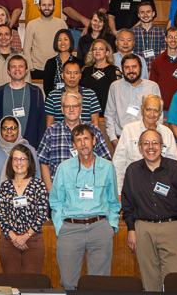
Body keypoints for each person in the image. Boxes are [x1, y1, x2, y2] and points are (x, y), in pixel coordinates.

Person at [121, 129, 177, 292]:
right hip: (143, 230)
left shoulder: (175, 168)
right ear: (140, 147)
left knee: (175, 282)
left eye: (155, 142)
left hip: (172, 229)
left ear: (162, 146)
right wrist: (131, 229)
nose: (151, 147)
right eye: (146, 143)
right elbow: (127, 204)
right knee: (150, 283)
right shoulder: (132, 171)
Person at [50, 124, 120, 290]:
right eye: (78, 140)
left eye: (86, 138)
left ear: (94, 140)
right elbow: (56, 201)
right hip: (70, 228)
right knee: (68, 282)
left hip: (100, 227)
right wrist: (60, 227)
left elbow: (113, 201)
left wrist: (112, 225)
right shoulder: (64, 168)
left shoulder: (107, 167)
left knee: (98, 283)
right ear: (74, 145)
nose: (82, 143)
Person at [0, 144, 47, 274]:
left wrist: (25, 236)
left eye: (23, 159)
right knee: (10, 284)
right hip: (8, 241)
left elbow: (42, 214)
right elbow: (0, 215)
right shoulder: (5, 186)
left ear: (29, 162)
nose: (19, 162)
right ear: (11, 162)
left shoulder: (38, 185)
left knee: (31, 285)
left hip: (33, 240)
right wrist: (14, 237)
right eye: (15, 159)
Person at [38, 93, 111, 186]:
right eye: (67, 106)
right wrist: (50, 190)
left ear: (81, 109)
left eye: (75, 106)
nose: (71, 110)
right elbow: (43, 162)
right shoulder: (51, 131)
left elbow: (105, 160)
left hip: (88, 188)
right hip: (60, 188)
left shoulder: (93, 130)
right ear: (62, 110)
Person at [112, 95, 177, 192]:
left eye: (156, 110)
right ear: (142, 109)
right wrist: (118, 191)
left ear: (160, 113)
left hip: (159, 186)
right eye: (148, 109)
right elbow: (118, 163)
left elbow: (173, 163)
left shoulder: (167, 132)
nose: (152, 114)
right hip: (133, 185)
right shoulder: (129, 130)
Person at [0, 55, 43, 146]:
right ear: (8, 71)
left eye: (20, 66)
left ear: (26, 70)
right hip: (3, 149)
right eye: (13, 66)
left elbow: (41, 123)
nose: (17, 69)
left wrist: (39, 148)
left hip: (30, 148)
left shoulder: (36, 92)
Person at [105, 55, 161, 145]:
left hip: (146, 138)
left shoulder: (152, 87)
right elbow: (110, 114)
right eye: (127, 67)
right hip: (121, 138)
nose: (131, 70)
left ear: (140, 68)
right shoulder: (115, 87)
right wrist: (113, 138)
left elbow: (159, 115)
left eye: (134, 67)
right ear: (122, 69)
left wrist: (154, 137)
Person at [0, 115, 38, 201]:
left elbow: (36, 176)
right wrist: (2, 203)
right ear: (0, 130)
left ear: (19, 129)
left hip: (27, 205)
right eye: (5, 128)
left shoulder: (29, 150)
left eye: (13, 128)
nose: (9, 131)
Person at [44, 60, 103, 129]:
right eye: (68, 73)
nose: (72, 76)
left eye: (76, 73)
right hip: (60, 137)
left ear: (80, 76)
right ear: (62, 75)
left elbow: (95, 122)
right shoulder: (52, 96)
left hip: (85, 137)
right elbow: (49, 124)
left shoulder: (90, 94)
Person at [25, 0, 68, 80]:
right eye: (44, 5)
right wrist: (31, 67)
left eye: (49, 5)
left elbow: (67, 46)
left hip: (57, 68)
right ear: (39, 7)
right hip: (37, 69)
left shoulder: (61, 23)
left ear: (54, 6)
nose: (47, 8)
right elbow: (26, 48)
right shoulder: (32, 24)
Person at [148, 28, 177, 110]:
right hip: (162, 108)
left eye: (176, 37)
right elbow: (152, 86)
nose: (173, 40)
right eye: (170, 37)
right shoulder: (157, 62)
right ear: (165, 39)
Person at [0, 26, 28, 100]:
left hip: (17, 101)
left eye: (6, 34)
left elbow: (27, 81)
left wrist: (16, 96)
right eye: (0, 34)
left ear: (11, 37)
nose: (3, 37)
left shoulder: (22, 58)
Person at [80, 39, 123, 112]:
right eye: (95, 49)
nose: (97, 51)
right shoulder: (85, 70)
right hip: (87, 111)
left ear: (107, 52)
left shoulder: (114, 70)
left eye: (101, 49)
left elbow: (119, 93)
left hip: (107, 112)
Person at [42, 29, 79, 94]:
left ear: (71, 42)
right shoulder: (50, 63)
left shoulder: (78, 62)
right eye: (59, 40)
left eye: (65, 39)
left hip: (74, 99)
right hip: (54, 100)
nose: (62, 42)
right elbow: (47, 87)